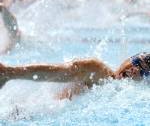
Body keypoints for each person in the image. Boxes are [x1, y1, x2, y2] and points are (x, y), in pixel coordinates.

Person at [0, 52, 149, 100]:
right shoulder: (99, 72)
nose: (134, 70)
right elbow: (66, 70)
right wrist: (10, 73)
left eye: (143, 70)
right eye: (136, 62)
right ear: (127, 59)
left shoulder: (127, 98)